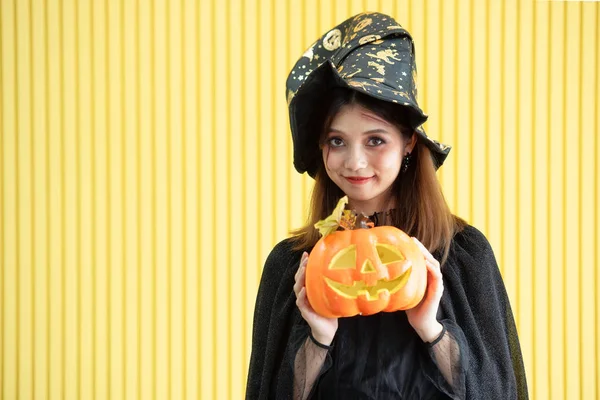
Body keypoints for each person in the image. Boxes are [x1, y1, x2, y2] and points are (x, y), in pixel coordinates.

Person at [246, 12, 528, 400]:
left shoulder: (464, 255)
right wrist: (318, 337)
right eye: (337, 141)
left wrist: (432, 329)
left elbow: (502, 393)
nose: (354, 163)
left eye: (375, 140)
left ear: (409, 142)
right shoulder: (291, 265)